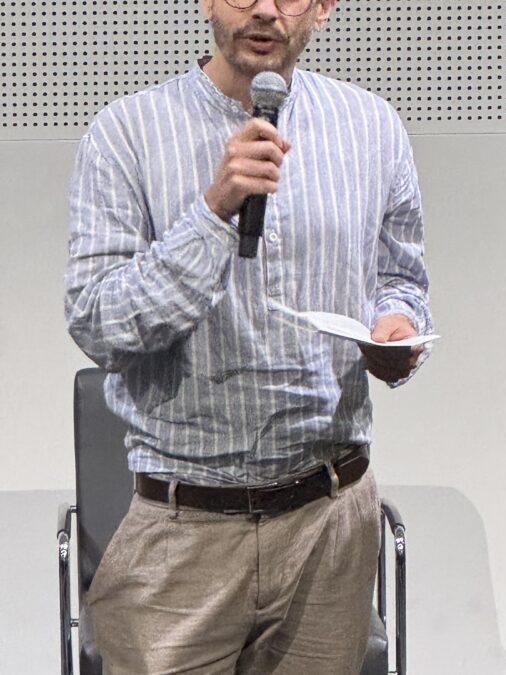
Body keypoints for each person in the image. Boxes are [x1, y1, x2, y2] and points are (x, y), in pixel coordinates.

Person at [64, 0, 432, 671]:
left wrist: (397, 326)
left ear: (322, 8)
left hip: (329, 521)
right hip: (183, 531)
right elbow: (98, 322)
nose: (263, 9)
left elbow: (400, 279)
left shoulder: (372, 128)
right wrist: (213, 213)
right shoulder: (127, 133)